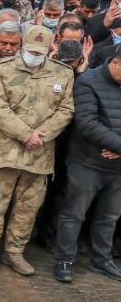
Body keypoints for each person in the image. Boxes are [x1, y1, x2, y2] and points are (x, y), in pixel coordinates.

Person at [0, 25, 75, 277]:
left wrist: (41, 135)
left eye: (40, 52)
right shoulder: (1, 69)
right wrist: (25, 134)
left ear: (51, 49)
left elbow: (66, 110)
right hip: (4, 152)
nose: (34, 55)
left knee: (28, 208)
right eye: (30, 50)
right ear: (22, 46)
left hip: (39, 154)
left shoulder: (62, 74)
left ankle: (14, 252)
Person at [53, 47, 121, 283]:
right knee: (74, 214)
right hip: (87, 162)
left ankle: (101, 258)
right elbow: (87, 123)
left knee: (109, 216)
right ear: (115, 62)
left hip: (118, 166)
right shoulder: (88, 81)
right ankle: (64, 259)